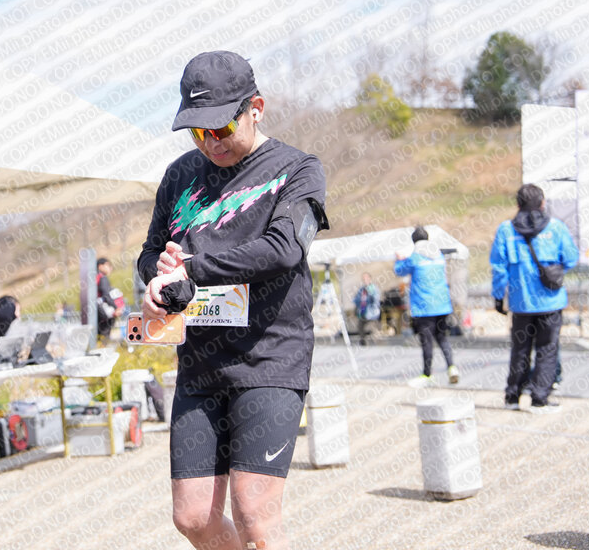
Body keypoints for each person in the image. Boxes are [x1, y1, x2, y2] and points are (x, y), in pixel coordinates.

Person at [137, 50, 329, 550]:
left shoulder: (298, 169)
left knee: (254, 517)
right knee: (193, 518)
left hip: (270, 358)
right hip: (200, 364)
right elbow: (151, 254)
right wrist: (157, 281)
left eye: (222, 128)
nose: (211, 143)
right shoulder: (179, 175)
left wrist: (193, 270)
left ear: (255, 109)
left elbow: (285, 249)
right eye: (198, 133)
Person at [490, 183, 578, 414]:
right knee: (547, 350)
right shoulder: (556, 227)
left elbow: (498, 267)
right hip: (551, 301)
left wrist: (498, 297)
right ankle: (539, 399)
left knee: (520, 349)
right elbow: (571, 258)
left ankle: (512, 396)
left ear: (518, 204)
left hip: (521, 303)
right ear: (542, 203)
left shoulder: (506, 230)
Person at [394, 226, 459, 387]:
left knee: (427, 341)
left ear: (414, 241)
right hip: (442, 305)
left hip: (424, 307)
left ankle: (427, 374)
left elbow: (399, 271)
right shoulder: (439, 256)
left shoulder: (415, 257)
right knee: (442, 337)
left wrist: (399, 259)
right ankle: (452, 367)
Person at [96, 258, 124, 344]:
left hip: (97, 312)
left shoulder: (94, 278)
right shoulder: (103, 278)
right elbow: (106, 295)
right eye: (108, 265)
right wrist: (116, 307)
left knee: (98, 336)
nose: (110, 268)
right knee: (104, 335)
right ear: (100, 266)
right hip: (104, 313)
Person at [352, 273, 381, 345]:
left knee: (373, 326)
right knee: (360, 325)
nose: (365, 280)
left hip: (372, 312)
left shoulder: (374, 288)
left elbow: (376, 300)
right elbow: (356, 299)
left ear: (370, 279)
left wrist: (370, 295)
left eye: (367, 278)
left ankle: (376, 341)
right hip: (363, 311)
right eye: (364, 279)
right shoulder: (362, 289)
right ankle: (363, 341)